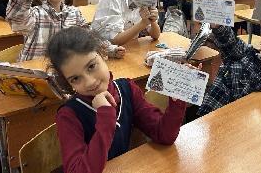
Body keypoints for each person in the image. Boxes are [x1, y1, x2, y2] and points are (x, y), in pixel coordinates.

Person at [49, 27, 188, 173]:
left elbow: (164, 135)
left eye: (91, 66)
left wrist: (177, 98)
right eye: (75, 79)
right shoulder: (68, 115)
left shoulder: (127, 89)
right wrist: (105, 118)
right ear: (68, 82)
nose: (89, 82)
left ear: (103, 55)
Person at [6, 0, 125, 62]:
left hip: (63, 70)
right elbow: (17, 23)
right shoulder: (36, 13)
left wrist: (110, 49)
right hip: (34, 73)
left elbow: (90, 36)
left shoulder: (74, 13)